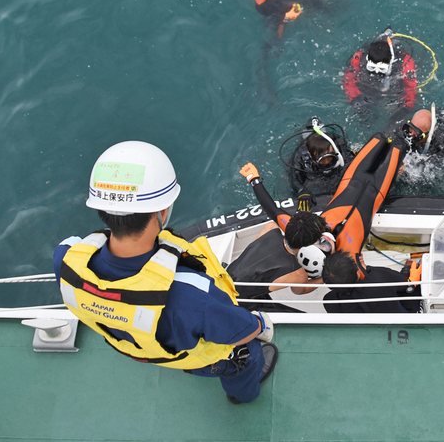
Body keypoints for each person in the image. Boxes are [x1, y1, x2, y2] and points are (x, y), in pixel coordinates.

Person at [53, 141, 277, 405]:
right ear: (162, 211)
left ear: (101, 208)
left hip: (135, 346)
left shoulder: (66, 258)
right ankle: (242, 395)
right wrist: (262, 325)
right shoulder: (193, 295)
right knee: (248, 356)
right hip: (193, 355)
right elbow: (242, 330)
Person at [239, 132, 404, 281]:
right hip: (379, 189)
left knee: (379, 138)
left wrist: (254, 179)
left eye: (316, 242)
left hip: (351, 178)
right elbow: (365, 278)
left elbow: (272, 209)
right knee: (399, 145)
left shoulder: (306, 231)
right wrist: (406, 275)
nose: (322, 239)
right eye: (324, 246)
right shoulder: (349, 251)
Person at [342, 30, 418, 110]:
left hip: (393, 92)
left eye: (382, 69)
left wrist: (405, 109)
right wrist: (355, 98)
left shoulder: (405, 63)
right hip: (367, 91)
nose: (376, 72)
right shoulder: (359, 58)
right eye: (372, 67)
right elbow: (349, 79)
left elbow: (411, 90)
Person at [322, 252, 420, 314]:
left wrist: (364, 268)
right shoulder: (378, 279)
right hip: (403, 321)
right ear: (358, 273)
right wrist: (367, 268)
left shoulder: (329, 301)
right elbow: (404, 281)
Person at [280, 117, 355, 197]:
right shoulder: (300, 156)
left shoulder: (338, 148)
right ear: (310, 156)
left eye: (329, 157)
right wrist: (302, 191)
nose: (327, 162)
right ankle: (308, 130)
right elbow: (294, 178)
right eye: (322, 160)